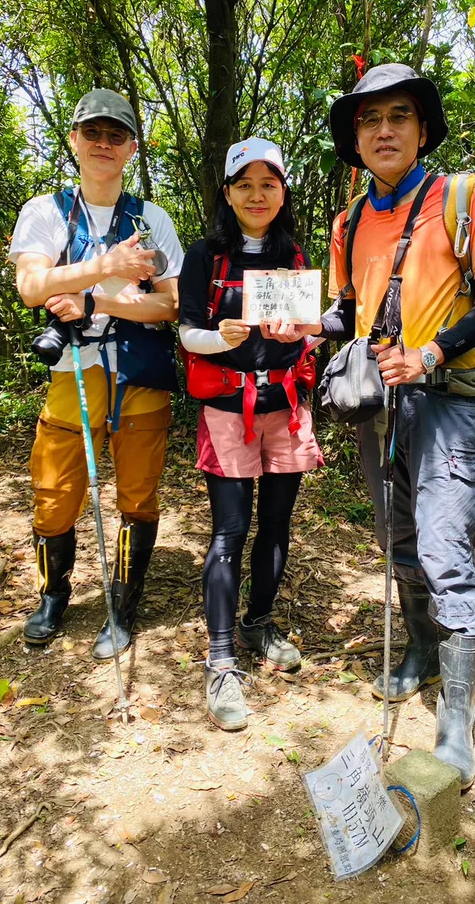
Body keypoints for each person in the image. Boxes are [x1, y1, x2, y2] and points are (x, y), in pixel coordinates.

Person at [294, 64, 475, 789]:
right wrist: (306, 325)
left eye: (398, 116)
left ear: (422, 131)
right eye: (369, 120)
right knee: (398, 537)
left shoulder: (461, 198)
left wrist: (430, 353)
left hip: (443, 399)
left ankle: (456, 719)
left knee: (446, 546)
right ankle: (420, 649)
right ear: (355, 139)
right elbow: (349, 311)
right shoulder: (350, 221)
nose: (383, 130)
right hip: (377, 404)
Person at [10, 89, 183, 659]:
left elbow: (171, 304)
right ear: (74, 140)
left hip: (139, 371)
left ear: (132, 148)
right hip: (73, 371)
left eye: (116, 135)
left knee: (138, 494)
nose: (103, 143)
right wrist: (108, 266)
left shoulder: (150, 219)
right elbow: (31, 286)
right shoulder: (46, 212)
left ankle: (123, 604)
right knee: (54, 493)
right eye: (93, 132)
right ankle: (53, 595)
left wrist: (99, 301)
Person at [178, 137, 322, 731]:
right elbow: (187, 331)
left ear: (283, 193)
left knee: (278, 523)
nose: (257, 195)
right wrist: (221, 338)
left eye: (268, 184)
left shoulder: (293, 257)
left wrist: (301, 333)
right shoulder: (205, 256)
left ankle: (258, 622)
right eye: (245, 185)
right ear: (228, 192)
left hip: (284, 404)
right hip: (227, 405)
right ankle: (220, 658)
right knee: (230, 529)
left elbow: (314, 329)